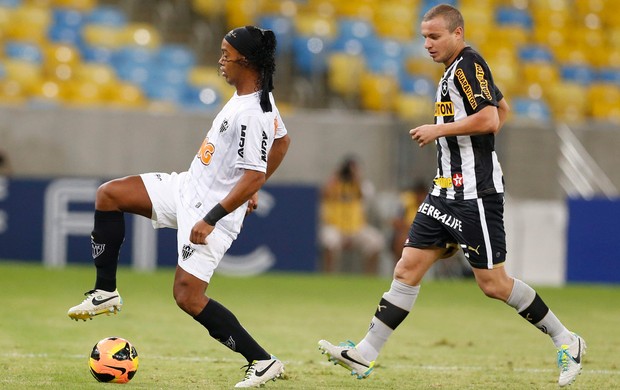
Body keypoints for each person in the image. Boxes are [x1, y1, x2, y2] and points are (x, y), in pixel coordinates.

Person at [318, 4, 585, 388]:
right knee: (407, 267)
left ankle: (567, 339)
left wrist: (442, 133)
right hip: (445, 190)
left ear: (457, 34)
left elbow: (491, 117)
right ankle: (365, 353)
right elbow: (502, 108)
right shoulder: (452, 71)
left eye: (435, 36)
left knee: (493, 284)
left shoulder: (467, 65)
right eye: (424, 36)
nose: (427, 43)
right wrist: (470, 149)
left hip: (475, 194)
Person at [67, 25, 291, 388]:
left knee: (187, 297)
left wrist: (216, 214)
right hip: (185, 186)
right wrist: (254, 187)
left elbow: (254, 172)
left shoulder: (252, 112)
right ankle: (105, 291)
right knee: (109, 194)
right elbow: (282, 143)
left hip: (210, 210)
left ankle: (263, 361)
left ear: (245, 61)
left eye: (225, 54)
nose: (220, 61)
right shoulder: (254, 98)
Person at [319, 156, 385, 274]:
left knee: (376, 241)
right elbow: (324, 193)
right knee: (329, 241)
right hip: (336, 227)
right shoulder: (335, 184)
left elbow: (365, 195)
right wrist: (337, 174)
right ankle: (328, 276)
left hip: (357, 228)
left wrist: (356, 177)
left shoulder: (361, 185)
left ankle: (370, 277)